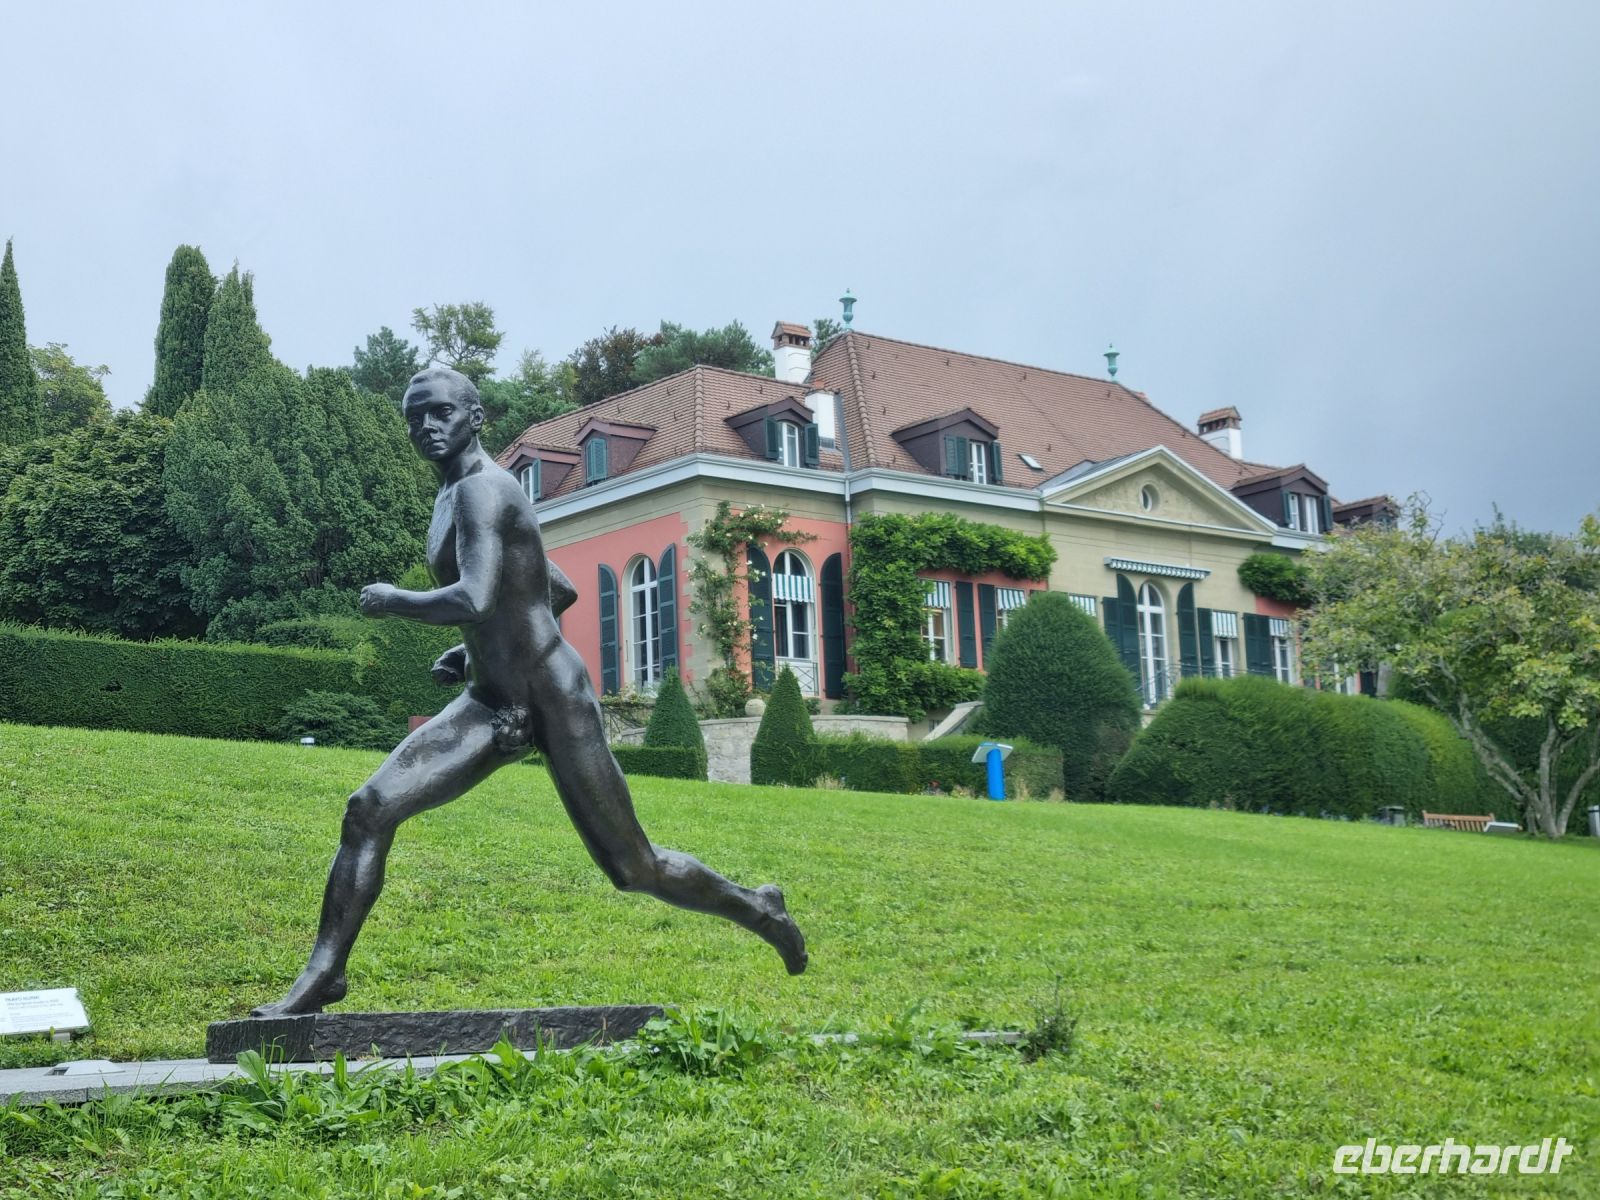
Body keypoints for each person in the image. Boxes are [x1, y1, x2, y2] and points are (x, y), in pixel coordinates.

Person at [252, 367, 806, 1017]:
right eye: (413, 417)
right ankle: (326, 972)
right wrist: (476, 649)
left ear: (475, 418)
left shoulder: (485, 491)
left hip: (553, 699)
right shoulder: (454, 495)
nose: (425, 427)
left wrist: (395, 600)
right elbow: (556, 590)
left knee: (634, 869)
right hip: (492, 702)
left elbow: (477, 596)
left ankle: (759, 908)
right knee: (368, 808)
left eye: (440, 413)